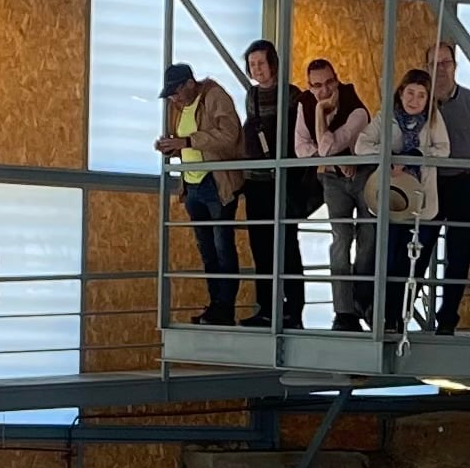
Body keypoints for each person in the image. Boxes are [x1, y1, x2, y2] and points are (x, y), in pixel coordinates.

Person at [350, 71, 445, 337]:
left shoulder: (435, 121)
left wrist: (414, 155)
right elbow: (361, 145)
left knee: (412, 265)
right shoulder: (385, 117)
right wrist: (389, 155)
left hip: (422, 202)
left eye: (421, 95)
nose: (414, 100)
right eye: (410, 93)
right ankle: (385, 317)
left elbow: (444, 150)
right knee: (389, 260)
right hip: (391, 201)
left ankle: (400, 316)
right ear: (400, 93)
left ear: (428, 99)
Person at [155, 62, 249, 326]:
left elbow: (229, 135)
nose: (174, 97)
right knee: (206, 248)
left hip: (216, 183)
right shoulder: (178, 107)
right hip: (192, 183)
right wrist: (170, 147)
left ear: (189, 83)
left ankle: (225, 306)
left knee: (222, 246)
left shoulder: (215, 96)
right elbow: (188, 143)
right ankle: (215, 304)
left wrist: (187, 142)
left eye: (176, 91)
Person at [419, 42, 470, 335]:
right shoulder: (418, 102)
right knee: (420, 249)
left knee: (459, 255)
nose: (440, 70)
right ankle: (401, 311)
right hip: (430, 183)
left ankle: (448, 317)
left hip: (464, 182)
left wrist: (468, 166)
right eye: (434, 64)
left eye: (445, 63)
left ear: (455, 65)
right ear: (426, 67)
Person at [294, 63, 371, 329]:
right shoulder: (306, 105)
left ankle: (362, 299)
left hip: (363, 177)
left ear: (337, 81)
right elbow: (301, 148)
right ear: (309, 86)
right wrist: (318, 112)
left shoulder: (356, 108)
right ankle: (344, 312)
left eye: (329, 83)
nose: (324, 90)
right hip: (332, 180)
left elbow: (326, 149)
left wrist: (330, 157)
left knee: (368, 239)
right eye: (316, 86)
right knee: (340, 241)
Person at [238, 40, 295, 328]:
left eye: (261, 62)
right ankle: (266, 308)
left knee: (287, 245)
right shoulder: (252, 96)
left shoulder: (292, 96)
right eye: (252, 64)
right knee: (260, 246)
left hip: (284, 181)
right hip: (257, 180)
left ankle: (293, 310)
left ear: (272, 62)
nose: (257, 69)